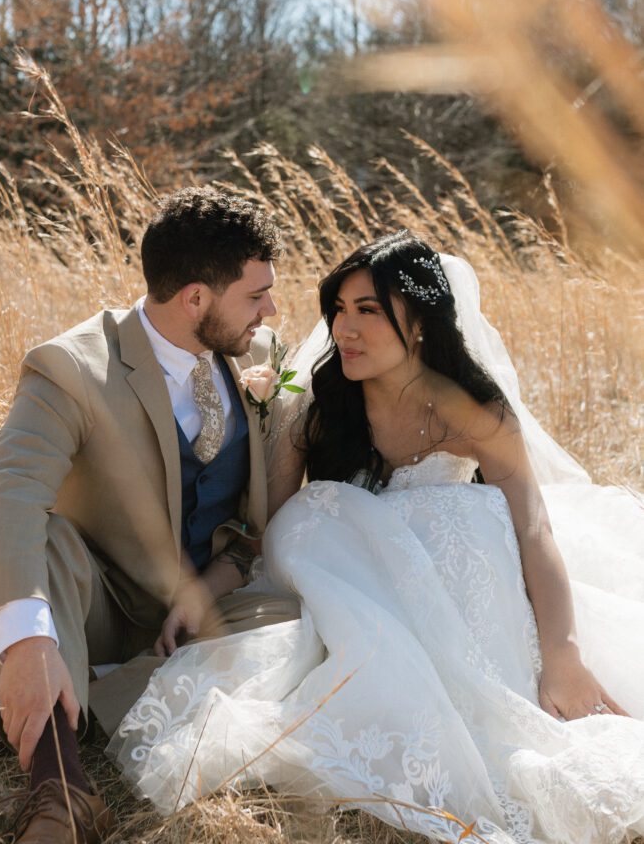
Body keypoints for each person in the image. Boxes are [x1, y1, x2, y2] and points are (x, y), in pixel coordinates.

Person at [109, 231, 644, 844]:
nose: (344, 329)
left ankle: (498, 716)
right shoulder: (317, 408)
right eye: (338, 309)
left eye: (368, 311)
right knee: (323, 509)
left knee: (473, 517)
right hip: (358, 602)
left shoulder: (476, 412)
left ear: (419, 324)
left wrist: (563, 654)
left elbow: (533, 527)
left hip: (462, 610)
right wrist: (202, 591)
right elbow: (265, 540)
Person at [0, 187, 300, 843]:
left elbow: (252, 523)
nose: (272, 309)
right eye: (256, 294)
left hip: (199, 611)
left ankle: (54, 708)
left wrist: (211, 584)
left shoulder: (260, 359)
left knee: (300, 621)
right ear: (196, 299)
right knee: (52, 538)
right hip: (93, 602)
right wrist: (28, 640)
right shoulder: (73, 366)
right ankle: (59, 792)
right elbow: (5, 485)